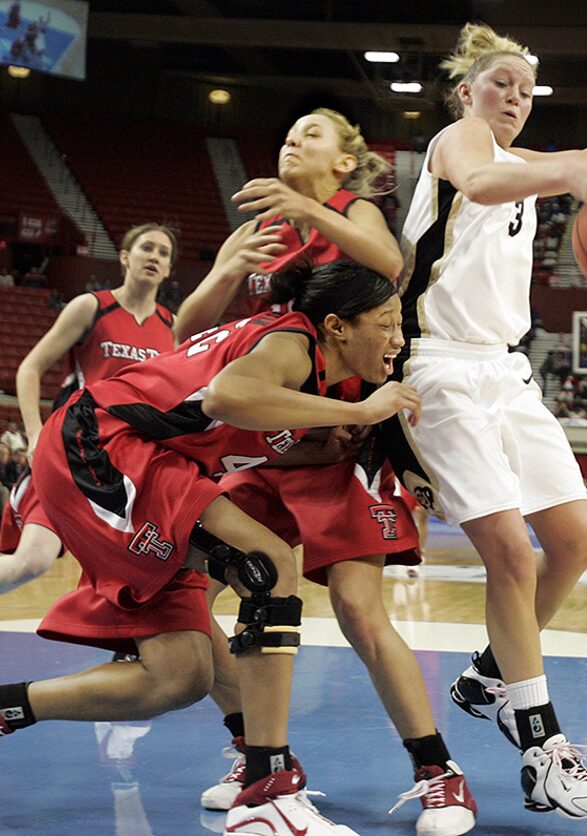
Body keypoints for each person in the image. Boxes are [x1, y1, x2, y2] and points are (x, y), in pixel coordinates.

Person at [0, 260, 420, 835]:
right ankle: (266, 788)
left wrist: (328, 443)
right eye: (386, 324)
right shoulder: (293, 343)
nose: (397, 339)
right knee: (268, 565)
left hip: (143, 461)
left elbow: (232, 432)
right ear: (337, 326)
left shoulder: (305, 380)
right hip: (103, 444)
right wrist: (357, 412)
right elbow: (226, 397)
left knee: (178, 675)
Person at [379, 12, 587, 821]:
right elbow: (488, 184)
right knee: (511, 558)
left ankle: (489, 678)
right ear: (466, 90)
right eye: (501, 85)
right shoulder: (458, 143)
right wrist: (574, 173)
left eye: (526, 90)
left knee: (577, 540)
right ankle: (544, 751)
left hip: (506, 372)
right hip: (440, 367)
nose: (515, 98)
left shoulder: (526, 160)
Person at [178, 109, 475, 833]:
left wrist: (309, 209)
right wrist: (225, 270)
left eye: (310, 134)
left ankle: (440, 774)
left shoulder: (354, 210)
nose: (291, 141)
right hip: (273, 441)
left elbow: (391, 266)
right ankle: (261, 757)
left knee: (358, 612)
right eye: (286, 133)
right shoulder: (263, 235)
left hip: (347, 438)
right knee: (185, 595)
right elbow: (189, 336)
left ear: (346, 162)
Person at [0, 224, 178, 683]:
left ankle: (126, 652)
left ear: (169, 268)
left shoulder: (172, 327)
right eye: (145, 247)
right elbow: (30, 367)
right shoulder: (91, 307)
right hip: (74, 452)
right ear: (125, 258)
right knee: (33, 560)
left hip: (129, 465)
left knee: (143, 563)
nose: (154, 255)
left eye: (164, 252)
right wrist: (34, 434)